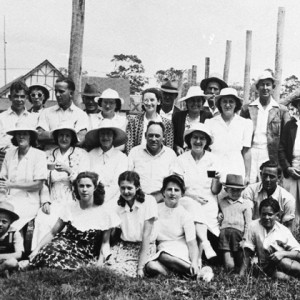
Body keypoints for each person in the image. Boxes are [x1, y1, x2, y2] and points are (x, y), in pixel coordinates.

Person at [28, 172, 120, 270]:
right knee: (49, 250)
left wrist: (100, 262)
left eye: (88, 186)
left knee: (57, 259)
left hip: (84, 254)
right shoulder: (70, 207)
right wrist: (36, 249)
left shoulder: (105, 213)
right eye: (81, 186)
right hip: (63, 245)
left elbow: (105, 242)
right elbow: (52, 232)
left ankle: (40, 266)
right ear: (76, 187)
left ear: (95, 187)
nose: (84, 189)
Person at [31, 123, 90, 248]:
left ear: (72, 138)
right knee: (43, 218)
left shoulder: (82, 154)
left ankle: (60, 256)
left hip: (73, 199)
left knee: (66, 222)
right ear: (56, 137)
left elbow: (86, 180)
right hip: (53, 198)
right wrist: (45, 201)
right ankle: (38, 255)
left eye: (67, 136)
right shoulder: (49, 154)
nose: (64, 139)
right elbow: (43, 181)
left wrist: (68, 170)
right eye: (61, 135)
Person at [173, 123, 222, 263]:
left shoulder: (213, 160)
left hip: (208, 203)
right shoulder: (181, 160)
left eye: (202, 138)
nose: (198, 141)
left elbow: (215, 190)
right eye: (195, 137)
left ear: (206, 141)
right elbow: (176, 186)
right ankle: (202, 251)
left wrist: (218, 179)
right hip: (186, 200)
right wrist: (191, 195)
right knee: (190, 207)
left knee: (203, 217)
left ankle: (199, 257)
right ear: (189, 139)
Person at [240, 70, 290, 183]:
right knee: (250, 183)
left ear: (273, 87)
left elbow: (286, 139)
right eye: (262, 84)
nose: (265, 87)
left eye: (268, 84)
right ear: (257, 88)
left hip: (271, 154)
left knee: (268, 185)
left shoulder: (281, 110)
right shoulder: (247, 108)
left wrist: (284, 164)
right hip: (250, 152)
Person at [145, 175, 198, 277]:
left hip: (179, 250)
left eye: (176, 190)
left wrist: (195, 262)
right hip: (161, 248)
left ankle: (192, 270)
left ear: (182, 194)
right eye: (169, 189)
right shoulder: (155, 209)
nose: (172, 193)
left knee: (164, 256)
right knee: (150, 266)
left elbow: (192, 244)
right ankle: (180, 274)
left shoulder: (185, 215)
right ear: (163, 192)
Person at [107, 171, 157, 278]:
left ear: (137, 187)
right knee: (108, 270)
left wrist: (140, 267)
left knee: (121, 272)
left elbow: (146, 236)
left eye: (129, 188)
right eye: (122, 188)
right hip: (124, 245)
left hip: (145, 246)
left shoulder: (149, 201)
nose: (126, 191)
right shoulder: (117, 205)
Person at [0, 125, 47, 231]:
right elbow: (3, 179)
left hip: (28, 201)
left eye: (25, 133)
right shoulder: (9, 154)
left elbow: (38, 185)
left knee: (12, 225)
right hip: (8, 199)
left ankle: (17, 245)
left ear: (30, 137)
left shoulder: (39, 155)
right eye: (18, 134)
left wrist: (12, 185)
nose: (21, 136)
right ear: (15, 137)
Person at [240, 198, 300, 279]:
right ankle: (293, 279)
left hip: (284, 261)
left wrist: (282, 254)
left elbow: (298, 253)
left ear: (277, 215)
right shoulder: (253, 226)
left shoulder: (283, 230)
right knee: (280, 276)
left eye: (270, 214)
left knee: (285, 263)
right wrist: (241, 274)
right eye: (263, 214)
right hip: (267, 266)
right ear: (259, 214)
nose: (266, 217)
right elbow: (247, 252)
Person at [205, 87, 253, 184]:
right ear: (220, 104)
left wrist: (247, 176)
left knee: (234, 196)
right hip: (214, 168)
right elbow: (207, 151)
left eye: (231, 101)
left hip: (236, 169)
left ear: (236, 104)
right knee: (213, 194)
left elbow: (246, 151)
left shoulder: (245, 123)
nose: (227, 105)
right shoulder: (210, 123)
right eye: (224, 101)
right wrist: (207, 173)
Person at [128, 121, 176, 202]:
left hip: (162, 201)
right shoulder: (135, 152)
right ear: (145, 136)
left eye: (157, 136)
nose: (154, 139)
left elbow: (174, 182)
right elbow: (127, 177)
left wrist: (160, 196)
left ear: (163, 137)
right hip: (138, 199)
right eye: (150, 135)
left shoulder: (170, 154)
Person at [86, 119, 128, 210]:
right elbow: (86, 179)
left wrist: (102, 199)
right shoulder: (90, 155)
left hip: (114, 201)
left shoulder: (121, 157)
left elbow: (117, 184)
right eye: (102, 134)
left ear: (113, 136)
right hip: (91, 198)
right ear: (98, 136)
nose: (105, 137)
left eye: (108, 134)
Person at [242, 160, 295, 231]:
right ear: (261, 174)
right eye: (265, 175)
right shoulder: (250, 191)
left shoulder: (287, 199)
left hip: (276, 234)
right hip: (253, 231)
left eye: (272, 176)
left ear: (279, 178)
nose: (267, 179)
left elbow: (288, 228)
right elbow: (246, 220)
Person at [37, 77, 88, 149]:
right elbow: (40, 136)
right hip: (49, 157)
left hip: (72, 158)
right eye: (56, 91)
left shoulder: (81, 115)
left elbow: (80, 140)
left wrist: (50, 136)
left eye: (61, 91)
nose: (57, 95)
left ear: (71, 93)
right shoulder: (46, 112)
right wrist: (70, 137)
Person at [218, 174, 252, 272]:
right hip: (224, 234)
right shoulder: (222, 202)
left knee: (241, 262)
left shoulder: (245, 204)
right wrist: (219, 215)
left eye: (238, 190)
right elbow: (220, 213)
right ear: (226, 190)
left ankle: (243, 266)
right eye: (232, 190)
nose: (235, 193)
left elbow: (248, 224)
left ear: (242, 190)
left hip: (238, 235)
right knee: (230, 267)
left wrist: (245, 238)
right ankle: (229, 264)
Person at [125, 88, 174, 154]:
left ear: (158, 101)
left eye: (152, 100)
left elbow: (169, 147)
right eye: (146, 100)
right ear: (142, 102)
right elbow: (129, 146)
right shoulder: (133, 121)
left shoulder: (167, 123)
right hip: (138, 159)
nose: (149, 103)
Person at [172, 86, 212, 155]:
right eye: (192, 100)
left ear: (203, 102)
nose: (195, 103)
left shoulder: (207, 116)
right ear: (187, 102)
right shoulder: (178, 116)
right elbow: (172, 139)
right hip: (181, 155)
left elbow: (209, 139)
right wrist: (177, 147)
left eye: (198, 100)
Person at [279, 97, 300, 221]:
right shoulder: (290, 125)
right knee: (290, 209)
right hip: (291, 171)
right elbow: (281, 148)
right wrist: (287, 168)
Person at [0, 81, 35, 151]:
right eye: (16, 96)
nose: (19, 100)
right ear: (10, 97)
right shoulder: (1, 118)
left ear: (26, 98)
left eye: (22, 96)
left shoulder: (33, 118)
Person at [0, 201, 23, 275]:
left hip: (7, 260)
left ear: (10, 222)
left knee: (12, 262)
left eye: (4, 222)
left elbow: (19, 254)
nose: (0, 224)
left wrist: (1, 256)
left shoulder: (14, 233)